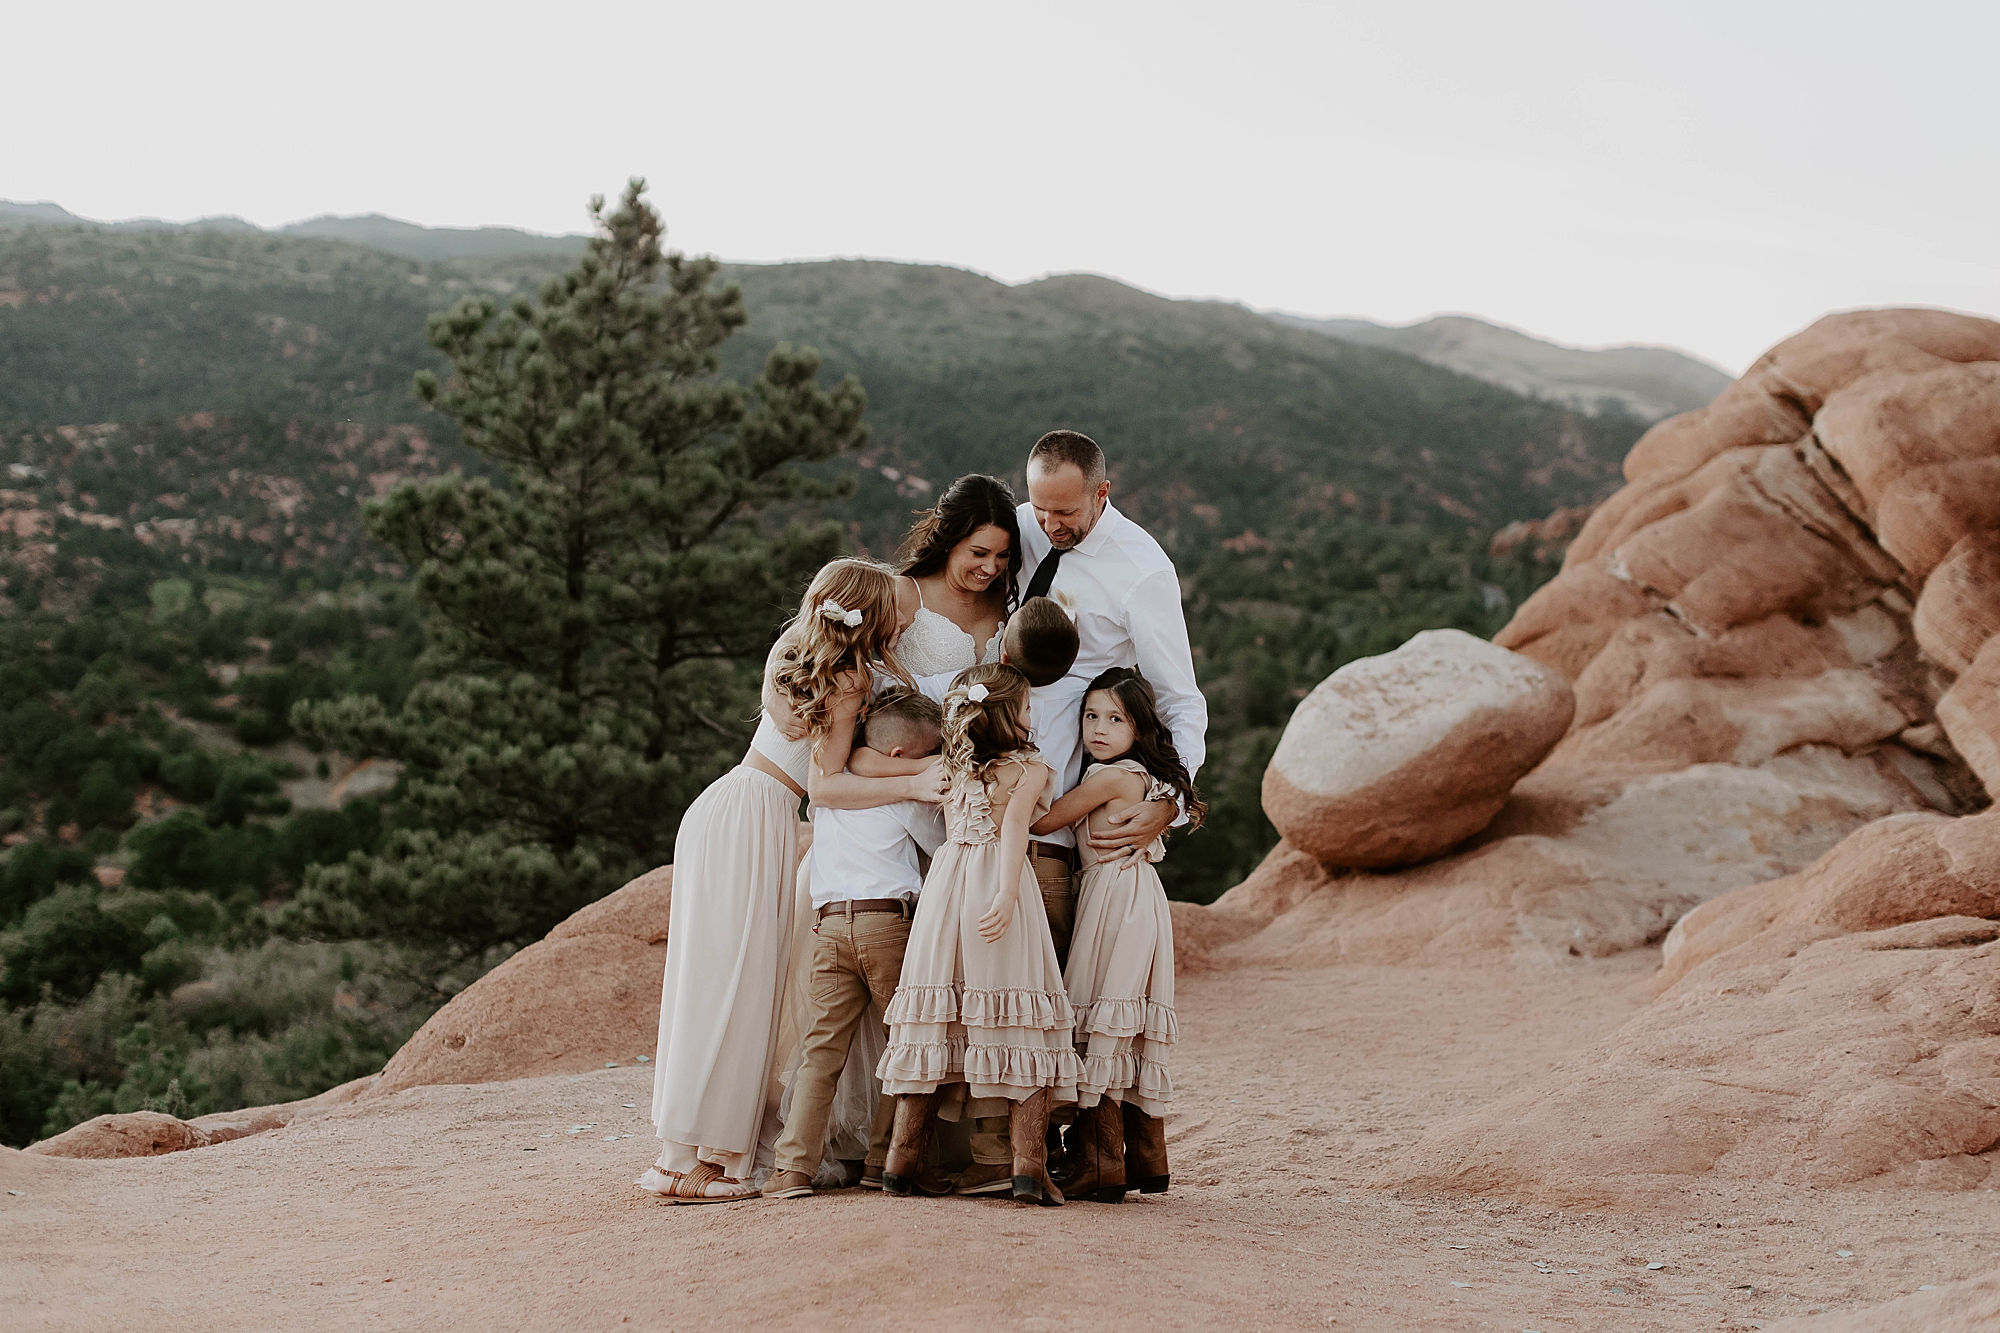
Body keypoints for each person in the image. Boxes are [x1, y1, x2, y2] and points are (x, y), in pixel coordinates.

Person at [638, 558, 926, 1204]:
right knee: (746, 988)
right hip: (759, 816)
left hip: (723, 805)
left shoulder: (793, 651)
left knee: (710, 985)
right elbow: (834, 775)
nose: (902, 628)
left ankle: (682, 1155)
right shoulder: (851, 678)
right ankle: (709, 1161)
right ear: (871, 617)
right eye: (895, 617)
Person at [876, 663, 1079, 1206]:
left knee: (936, 1017)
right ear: (1008, 716)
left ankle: (901, 1160)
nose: (1032, 716)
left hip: (948, 884)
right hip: (995, 880)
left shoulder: (954, 767)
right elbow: (1015, 829)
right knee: (1018, 1015)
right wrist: (1008, 894)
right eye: (1028, 707)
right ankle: (1028, 1168)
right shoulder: (1030, 768)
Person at [1015, 429, 1207, 965]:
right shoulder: (1022, 524)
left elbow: (1180, 700)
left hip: (1057, 793)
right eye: (1040, 508)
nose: (1050, 525)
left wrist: (1170, 800)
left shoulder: (1143, 570)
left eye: (1066, 512)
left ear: (1102, 494)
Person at [763, 690, 947, 1200]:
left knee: (821, 1051)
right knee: (905, 1044)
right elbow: (944, 847)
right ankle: (885, 1160)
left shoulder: (836, 795)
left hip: (830, 928)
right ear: (901, 758)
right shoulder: (905, 798)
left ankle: (793, 1168)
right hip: (887, 925)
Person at [1031, 668, 1202, 1201]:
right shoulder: (1142, 778)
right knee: (1123, 1017)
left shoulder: (1108, 777)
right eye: (1090, 716)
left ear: (1139, 727)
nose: (1098, 729)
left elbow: (1043, 823)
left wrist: (1020, 779)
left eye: (1115, 719)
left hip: (1115, 896)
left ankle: (1102, 1162)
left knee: (1101, 1015)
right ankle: (1146, 1159)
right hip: (1135, 894)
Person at [896, 473, 1020, 670]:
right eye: (979, 553)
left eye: (1002, 555)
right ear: (949, 542)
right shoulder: (903, 594)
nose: (990, 568)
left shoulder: (1006, 597)